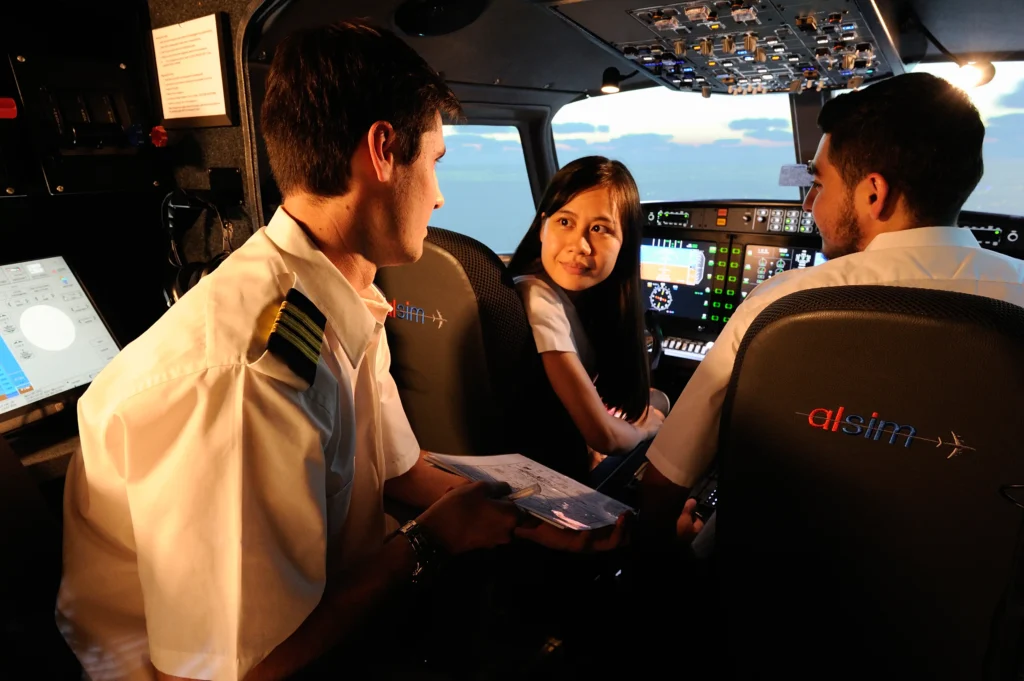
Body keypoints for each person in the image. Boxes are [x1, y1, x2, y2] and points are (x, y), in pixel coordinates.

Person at [56, 21, 624, 681]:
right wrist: (431, 540)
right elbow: (238, 670)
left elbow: (401, 471)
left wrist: (545, 518)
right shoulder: (246, 376)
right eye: (434, 161)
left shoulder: (338, 297)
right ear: (383, 151)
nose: (439, 195)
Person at [638, 71, 1024, 542]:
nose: (807, 205)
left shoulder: (782, 303)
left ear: (873, 194)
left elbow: (667, 478)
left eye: (818, 183)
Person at [507, 156, 667, 482]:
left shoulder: (571, 298)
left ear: (625, 243)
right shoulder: (537, 298)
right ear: (542, 227)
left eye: (599, 229)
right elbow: (603, 436)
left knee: (654, 398)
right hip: (538, 482)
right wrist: (644, 429)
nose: (580, 246)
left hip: (553, 453)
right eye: (565, 222)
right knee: (660, 409)